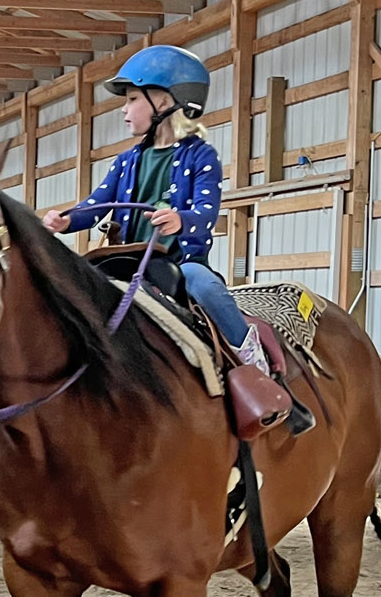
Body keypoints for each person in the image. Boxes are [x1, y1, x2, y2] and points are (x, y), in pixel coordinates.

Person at [42, 44, 313, 435]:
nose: (124, 109)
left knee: (205, 285)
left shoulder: (202, 156)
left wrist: (179, 219)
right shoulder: (126, 160)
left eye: (133, 99)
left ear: (165, 101)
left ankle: (256, 367)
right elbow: (97, 205)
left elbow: (207, 214)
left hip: (176, 265)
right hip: (125, 262)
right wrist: (65, 220)